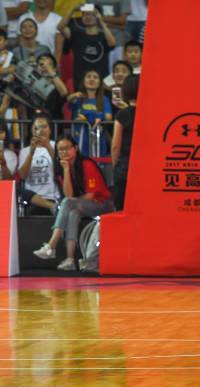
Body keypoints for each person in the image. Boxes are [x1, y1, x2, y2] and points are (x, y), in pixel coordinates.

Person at [33, 135, 114, 270]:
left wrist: (72, 201)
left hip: (102, 204)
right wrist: (65, 170)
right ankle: (70, 259)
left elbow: (91, 195)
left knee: (68, 203)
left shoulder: (86, 164)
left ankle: (51, 245)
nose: (64, 152)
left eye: (67, 148)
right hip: (81, 205)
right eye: (60, 150)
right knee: (72, 214)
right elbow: (69, 194)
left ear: (75, 148)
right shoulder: (61, 168)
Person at [58, 4, 116, 87]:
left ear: (98, 16)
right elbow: (60, 27)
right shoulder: (76, 34)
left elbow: (112, 43)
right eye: (85, 14)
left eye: (92, 14)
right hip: (80, 79)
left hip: (101, 79)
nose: (88, 17)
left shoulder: (104, 35)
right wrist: (72, 10)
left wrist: (101, 21)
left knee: (106, 99)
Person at [17, 111, 60, 214]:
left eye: (44, 127)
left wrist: (47, 146)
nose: (40, 131)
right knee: (17, 189)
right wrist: (31, 152)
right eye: (36, 128)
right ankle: (52, 207)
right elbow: (22, 176)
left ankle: (52, 205)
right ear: (32, 130)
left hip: (52, 196)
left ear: (50, 129)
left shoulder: (56, 146)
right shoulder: (25, 151)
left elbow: (60, 167)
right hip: (32, 198)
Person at [67, 69, 113, 157]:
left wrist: (94, 116)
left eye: (95, 77)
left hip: (97, 137)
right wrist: (73, 95)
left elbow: (109, 117)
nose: (91, 79)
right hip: (78, 137)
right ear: (83, 81)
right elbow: (69, 100)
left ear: (100, 83)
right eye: (88, 77)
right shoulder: (78, 97)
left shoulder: (104, 99)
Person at [111, 73, 138, 211]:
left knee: (122, 210)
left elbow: (116, 145)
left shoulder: (121, 115)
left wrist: (115, 164)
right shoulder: (150, 113)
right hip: (145, 166)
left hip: (125, 165)